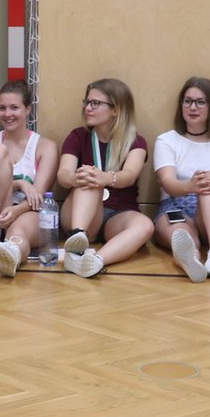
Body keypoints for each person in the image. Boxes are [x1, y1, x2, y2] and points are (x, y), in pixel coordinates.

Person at [56, 77, 152, 278]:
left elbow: (129, 175)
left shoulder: (135, 142)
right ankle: (77, 241)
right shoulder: (78, 136)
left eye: (95, 103)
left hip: (117, 215)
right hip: (80, 214)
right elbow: (63, 174)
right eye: (87, 102)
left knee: (145, 226)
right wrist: (77, 178)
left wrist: (106, 178)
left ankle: (94, 261)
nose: (88, 108)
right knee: (88, 177)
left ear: (115, 109)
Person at [152, 77, 210, 281]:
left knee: (209, 185)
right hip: (175, 206)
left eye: (200, 102)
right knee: (182, 237)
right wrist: (190, 186)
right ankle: (190, 259)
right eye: (188, 101)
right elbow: (168, 183)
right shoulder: (167, 140)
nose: (193, 107)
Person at [0, 80, 57, 278]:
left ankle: (12, 255)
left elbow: (38, 195)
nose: (7, 114)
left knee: (18, 234)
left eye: (14, 108)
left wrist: (16, 210)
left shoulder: (46, 146)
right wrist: (20, 183)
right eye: (2, 108)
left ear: (27, 109)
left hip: (25, 210)